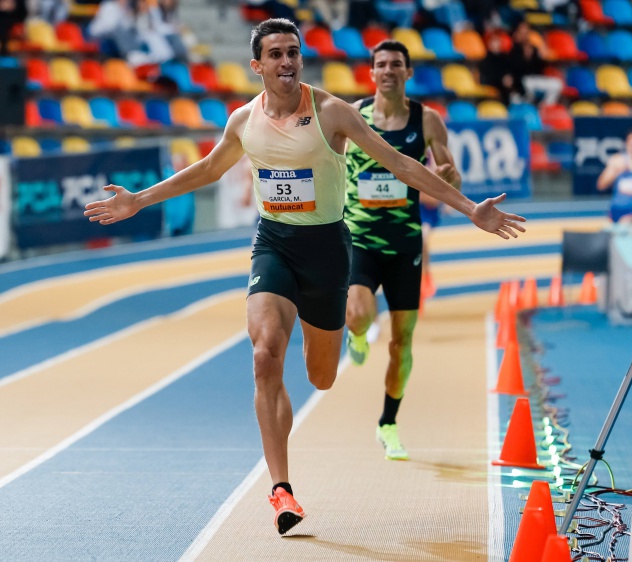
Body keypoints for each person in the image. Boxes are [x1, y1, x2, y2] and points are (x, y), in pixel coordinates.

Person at [84, 18, 526, 535]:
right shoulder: (243, 121)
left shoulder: (331, 112)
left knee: (321, 376)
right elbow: (207, 170)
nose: (287, 62)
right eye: (276, 54)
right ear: (258, 66)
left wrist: (470, 209)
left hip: (328, 249)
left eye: (293, 52)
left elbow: (401, 165)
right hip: (273, 243)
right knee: (265, 353)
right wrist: (139, 199)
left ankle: (319, 371)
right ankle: (281, 489)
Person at [343, 40, 463, 462]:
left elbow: (449, 181)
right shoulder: (351, 116)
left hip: (405, 243)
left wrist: (448, 175)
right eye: (381, 64)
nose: (388, 70)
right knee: (357, 311)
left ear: (408, 73)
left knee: (402, 344)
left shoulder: (427, 120)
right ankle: (356, 334)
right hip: (360, 237)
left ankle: (388, 423)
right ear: (371, 73)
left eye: (396, 64)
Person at [596, 130, 632, 223]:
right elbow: (601, 185)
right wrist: (616, 171)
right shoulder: (617, 160)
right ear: (626, 144)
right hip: (618, 211)